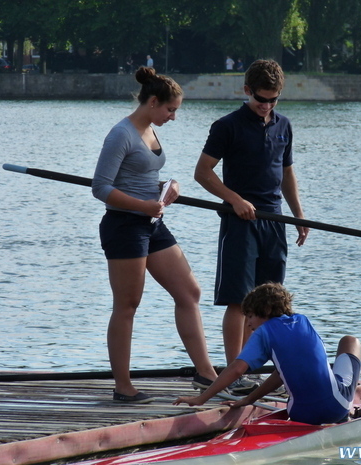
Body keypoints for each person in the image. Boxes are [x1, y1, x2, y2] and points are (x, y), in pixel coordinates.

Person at [92, 67, 218, 403]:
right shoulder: (121, 134)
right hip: (124, 226)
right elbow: (101, 187)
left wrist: (167, 186)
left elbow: (142, 175)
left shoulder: (149, 129)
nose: (173, 117)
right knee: (128, 305)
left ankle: (206, 374)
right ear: (152, 102)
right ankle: (123, 386)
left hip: (151, 224)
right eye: (170, 109)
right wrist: (143, 206)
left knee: (189, 291)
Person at [194, 59, 309, 394]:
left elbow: (287, 174)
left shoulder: (284, 126)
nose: (267, 106)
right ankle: (234, 374)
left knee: (269, 304)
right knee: (238, 300)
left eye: (274, 100)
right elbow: (202, 172)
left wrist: (298, 215)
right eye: (261, 99)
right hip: (240, 222)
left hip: (274, 221)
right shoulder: (226, 126)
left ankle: (258, 367)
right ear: (247, 91)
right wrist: (235, 199)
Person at [174, 283, 361, 425]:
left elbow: (237, 369)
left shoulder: (263, 332)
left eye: (249, 315)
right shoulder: (303, 320)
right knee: (350, 341)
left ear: (266, 310)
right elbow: (283, 371)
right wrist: (249, 399)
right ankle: (347, 414)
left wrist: (202, 398)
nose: (247, 323)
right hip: (336, 408)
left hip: (299, 415)